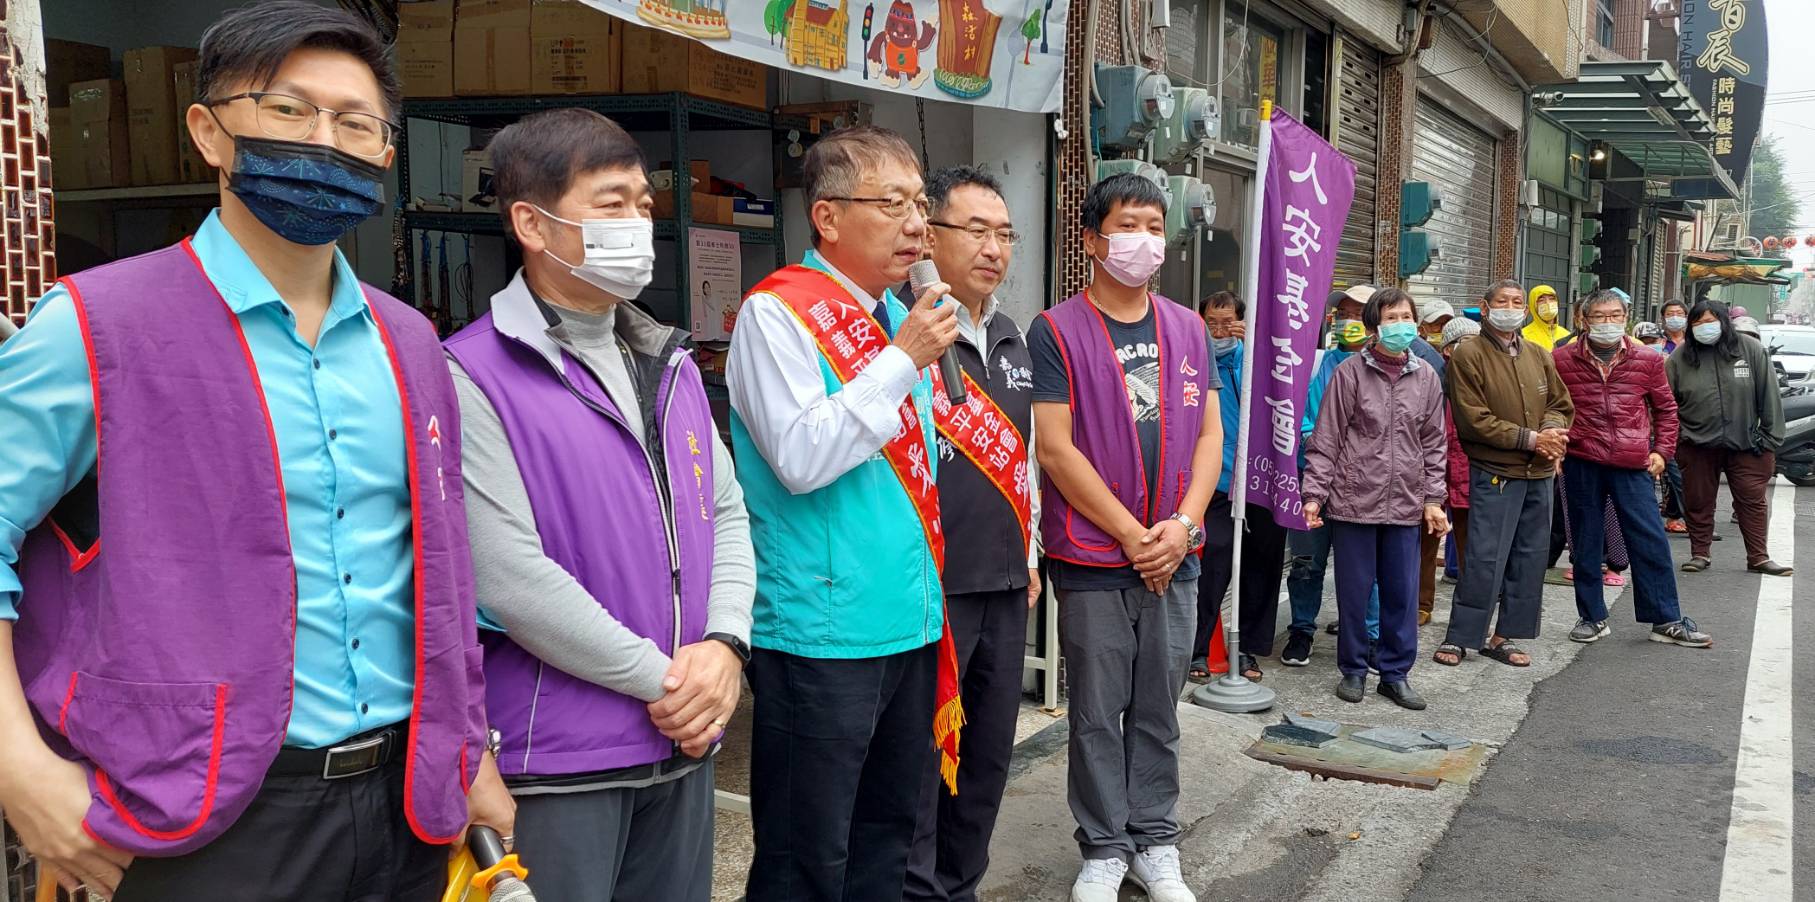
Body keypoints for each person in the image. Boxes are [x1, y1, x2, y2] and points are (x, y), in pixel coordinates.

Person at [0, 5, 509, 898]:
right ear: (209, 131)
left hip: (406, 809)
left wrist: (469, 754)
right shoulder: (94, 326)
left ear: (385, 152)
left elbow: (438, 575)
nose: (325, 140)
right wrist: (21, 773)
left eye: (355, 123)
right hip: (195, 811)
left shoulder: (411, 343)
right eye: (288, 110)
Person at [444, 109, 755, 901]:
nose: (637, 224)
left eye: (643, 206)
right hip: (561, 760)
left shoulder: (667, 361)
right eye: (611, 204)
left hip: (682, 747)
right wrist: (672, 686)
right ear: (530, 224)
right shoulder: (470, 374)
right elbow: (507, 577)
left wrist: (724, 647)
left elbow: (724, 512)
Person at [728, 125, 957, 901]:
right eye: (891, 204)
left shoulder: (895, 315)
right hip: (822, 630)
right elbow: (800, 457)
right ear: (827, 217)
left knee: (886, 839)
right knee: (806, 854)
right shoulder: (776, 313)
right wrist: (901, 361)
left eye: (919, 204)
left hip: (908, 618)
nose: (916, 225)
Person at [1028, 172, 1222, 902]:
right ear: (1091, 239)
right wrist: (1135, 535)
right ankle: (1104, 847)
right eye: (1127, 226)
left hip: (1176, 552)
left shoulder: (1188, 328)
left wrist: (1182, 526)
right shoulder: (1056, 330)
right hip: (1093, 556)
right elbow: (1056, 449)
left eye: (1154, 227)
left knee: (1158, 710)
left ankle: (1155, 841)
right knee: (1095, 714)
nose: (1143, 240)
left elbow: (1209, 435)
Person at [904, 166, 1039, 902]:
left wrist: (1031, 550)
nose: (994, 249)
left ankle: (963, 888)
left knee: (986, 760)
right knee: (924, 766)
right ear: (930, 237)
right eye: (977, 231)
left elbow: (1028, 459)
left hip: (1007, 583)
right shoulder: (907, 332)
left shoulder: (1015, 338)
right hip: (932, 588)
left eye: (1005, 234)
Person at [1301, 288, 1448, 709]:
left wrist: (1433, 499)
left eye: (1407, 316)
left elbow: (1434, 443)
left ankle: (1395, 673)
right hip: (1354, 501)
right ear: (1374, 326)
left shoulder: (1426, 377)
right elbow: (1326, 438)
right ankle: (1353, 669)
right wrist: (1314, 495)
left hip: (1405, 503)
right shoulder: (1349, 373)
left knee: (1401, 594)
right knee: (1354, 592)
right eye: (1392, 317)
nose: (1402, 324)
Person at [1550, 289, 1712, 648]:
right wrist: (1556, 445)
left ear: (1625, 318)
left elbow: (1666, 410)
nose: (1607, 323)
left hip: (1632, 462)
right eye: (1599, 316)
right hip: (1582, 460)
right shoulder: (1560, 359)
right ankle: (1591, 617)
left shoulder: (1647, 359)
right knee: (1585, 541)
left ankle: (1665, 619)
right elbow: (1550, 407)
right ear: (1583, 320)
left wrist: (1662, 451)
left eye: (1615, 316)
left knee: (1650, 540)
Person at [1433, 279, 1574, 669]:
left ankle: (1505, 635)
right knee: (1484, 556)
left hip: (1539, 472)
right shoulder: (1469, 354)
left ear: (1525, 312)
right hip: (1496, 470)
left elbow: (1560, 403)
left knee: (1530, 557)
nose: (1510, 308)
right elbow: (1473, 419)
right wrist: (1532, 439)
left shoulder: (1537, 354)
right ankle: (1461, 636)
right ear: (1485, 307)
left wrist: (1550, 432)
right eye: (1502, 301)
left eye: (1516, 302)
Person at [1189, 291, 1288, 684]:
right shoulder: (1193, 359)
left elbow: (1281, 399)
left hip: (1261, 478)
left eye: (1227, 323)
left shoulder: (1260, 361)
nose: (1219, 332)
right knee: (1211, 563)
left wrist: (1256, 349)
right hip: (1216, 479)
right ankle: (1197, 649)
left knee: (1260, 565)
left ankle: (1246, 648)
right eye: (1211, 323)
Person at [1281, 287, 1380, 667]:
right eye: (1343, 314)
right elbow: (1298, 416)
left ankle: (1368, 637)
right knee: (1306, 561)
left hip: (1364, 485)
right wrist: (1318, 442)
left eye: (1358, 314)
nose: (1348, 321)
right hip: (1311, 478)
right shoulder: (1313, 363)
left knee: (1364, 569)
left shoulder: (1384, 369)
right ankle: (1301, 631)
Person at [1667, 301, 1791, 576]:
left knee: (1752, 501)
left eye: (1710, 321)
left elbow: (1769, 395)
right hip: (1696, 444)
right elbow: (1666, 404)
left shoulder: (1750, 349)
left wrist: (1770, 439)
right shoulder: (1680, 357)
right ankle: (1700, 553)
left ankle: (1758, 557)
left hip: (1747, 443)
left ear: (1724, 322)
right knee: (1698, 501)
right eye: (1698, 323)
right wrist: (1677, 439)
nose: (1704, 327)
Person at [1440, 317, 1481, 580]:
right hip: (1435, 477)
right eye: (1466, 342)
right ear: (1448, 349)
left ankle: (1471, 595)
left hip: (1473, 476)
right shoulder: (1433, 378)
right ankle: (1421, 601)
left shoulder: (1486, 380)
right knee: (1424, 547)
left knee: (1473, 549)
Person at [1522, 284, 1571, 349]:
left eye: (1552, 299)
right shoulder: (1524, 336)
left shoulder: (1567, 335)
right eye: (1541, 300)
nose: (1548, 303)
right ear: (1533, 306)